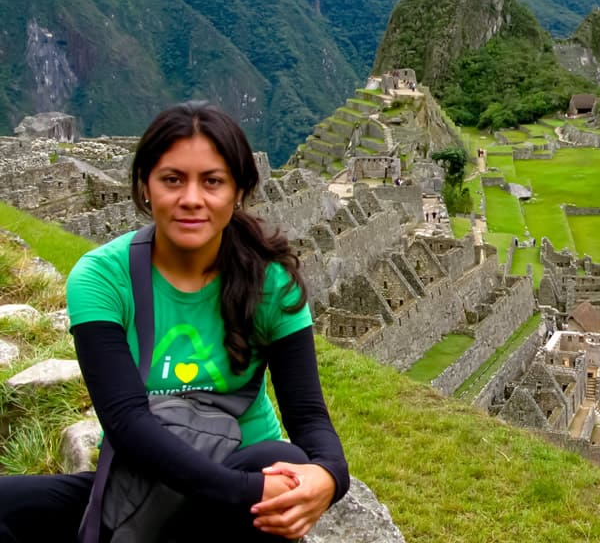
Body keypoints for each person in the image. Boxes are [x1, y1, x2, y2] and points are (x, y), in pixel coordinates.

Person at [0, 101, 349, 542]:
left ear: (238, 191)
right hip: (146, 479)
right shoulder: (103, 277)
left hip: (241, 481)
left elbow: (309, 416)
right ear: (146, 186)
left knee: (278, 454)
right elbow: (126, 421)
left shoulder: (270, 283)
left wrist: (331, 477)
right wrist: (247, 488)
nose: (191, 199)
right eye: (172, 179)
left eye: (212, 182)